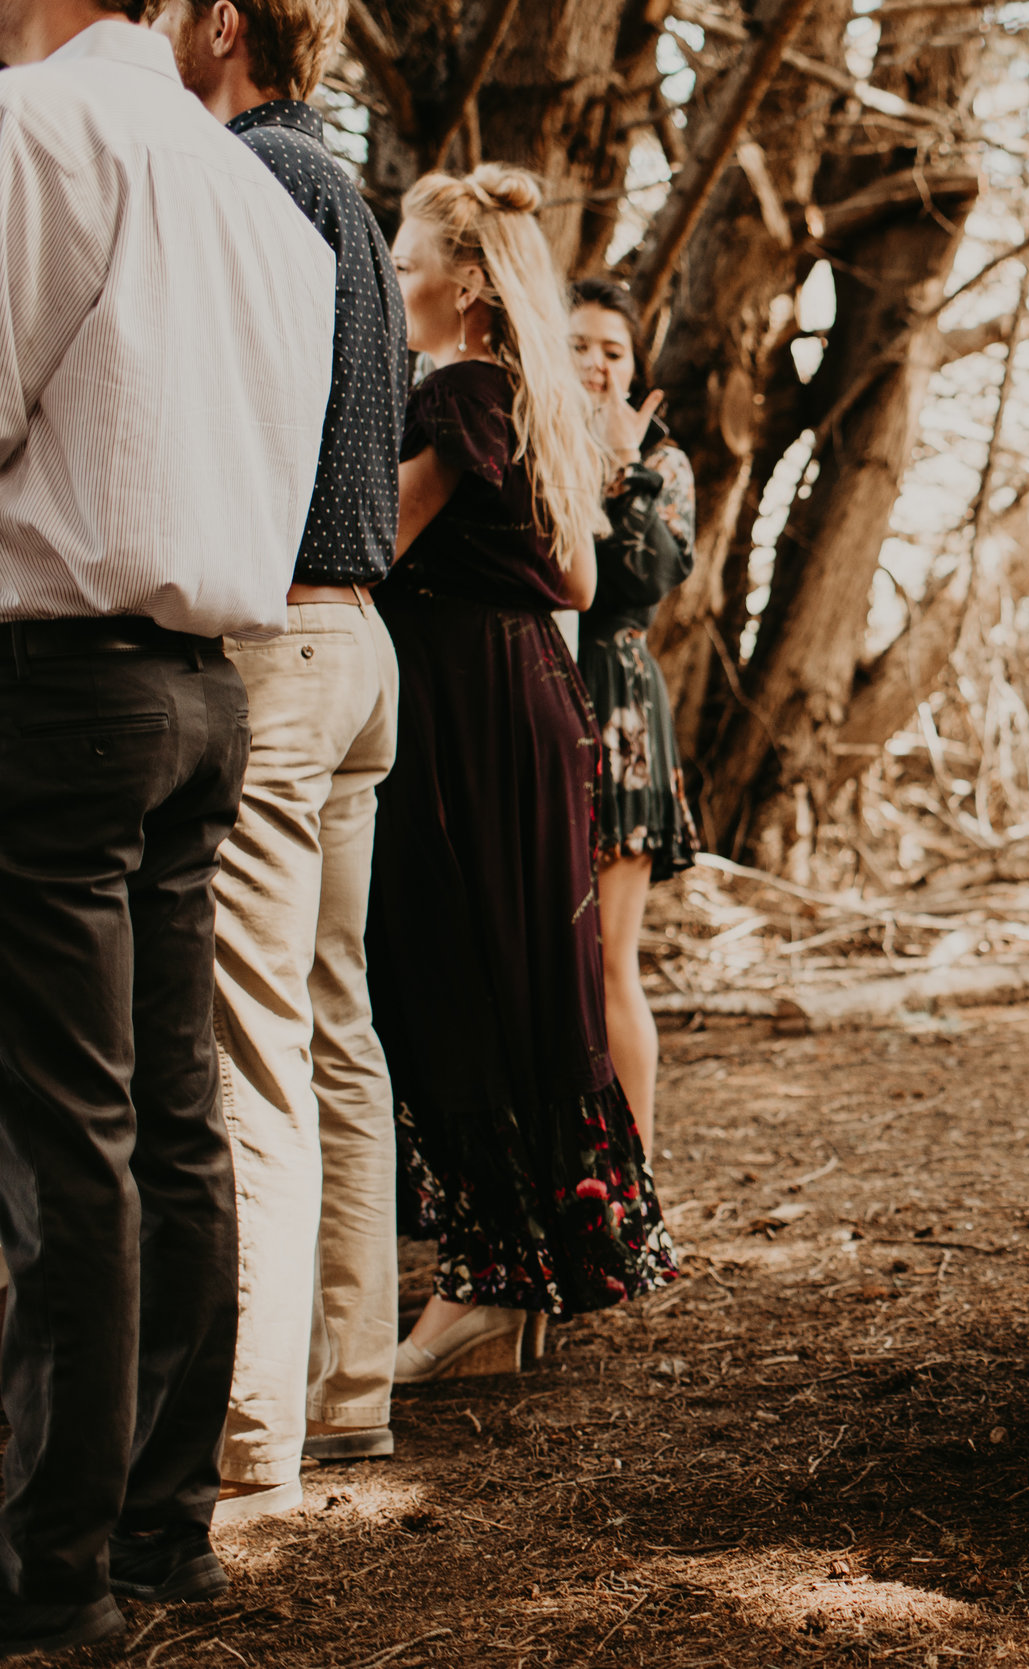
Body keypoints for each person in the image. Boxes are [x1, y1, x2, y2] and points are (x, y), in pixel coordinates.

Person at [0, 0, 333, 1650]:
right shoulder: (264, 201)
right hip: (209, 684)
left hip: (56, 678)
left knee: (73, 1133)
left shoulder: (40, 129)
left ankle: (52, 1578)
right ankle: (162, 1529)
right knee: (173, 1119)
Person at [154, 0, 408, 1525]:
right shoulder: (344, 183)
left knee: (253, 1047)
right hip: (363, 646)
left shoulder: (252, 177)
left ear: (225, 25)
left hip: (285, 644)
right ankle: (351, 1389)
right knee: (333, 1034)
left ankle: (252, 1438)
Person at [370, 165, 678, 1385]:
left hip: (466, 718)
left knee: (455, 976)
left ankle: (486, 1282)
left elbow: (370, 540)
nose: (393, 285)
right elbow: (585, 586)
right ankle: (525, 1271)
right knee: (528, 979)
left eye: (405, 267)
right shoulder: (533, 394)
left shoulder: (458, 390)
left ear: (469, 287)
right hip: (527, 702)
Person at [566, 277, 701, 1144]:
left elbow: (645, 579)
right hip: (528, 694)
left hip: (616, 708)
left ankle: (636, 1176)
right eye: (579, 345)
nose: (596, 365)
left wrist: (627, 471)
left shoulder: (664, 460)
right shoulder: (529, 432)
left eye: (613, 350)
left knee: (611, 960)